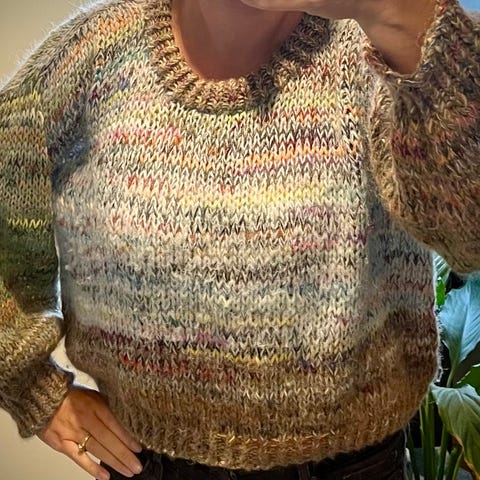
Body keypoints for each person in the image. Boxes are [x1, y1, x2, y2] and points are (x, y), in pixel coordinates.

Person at [0, 0, 479, 479]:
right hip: (148, 462)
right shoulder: (92, 57)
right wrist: (38, 392)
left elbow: (469, 237)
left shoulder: (374, 46)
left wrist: (392, 13)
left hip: (351, 466)